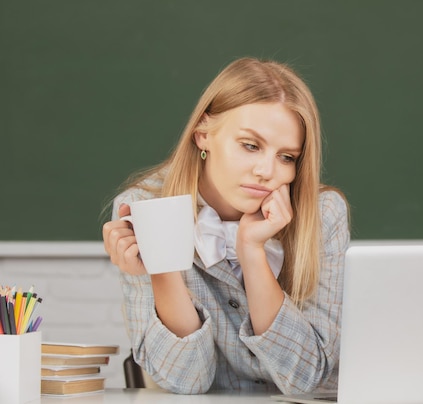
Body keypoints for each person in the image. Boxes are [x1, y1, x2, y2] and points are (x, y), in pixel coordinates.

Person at [101, 57, 350, 395]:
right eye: (251, 146)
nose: (267, 171)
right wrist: (161, 269)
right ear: (203, 134)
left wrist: (252, 252)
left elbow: (306, 378)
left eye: (286, 157)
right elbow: (185, 382)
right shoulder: (143, 208)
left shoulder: (323, 214)